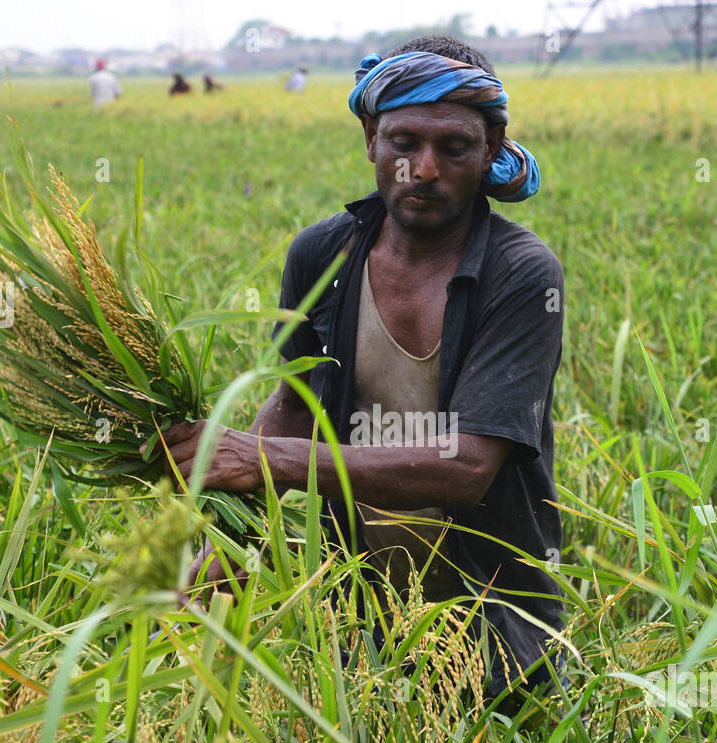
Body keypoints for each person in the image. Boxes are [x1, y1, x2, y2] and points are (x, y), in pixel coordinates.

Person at [149, 35, 564, 708]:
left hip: (495, 612)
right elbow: (294, 399)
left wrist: (265, 460)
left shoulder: (520, 275)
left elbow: (468, 467)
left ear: (491, 148)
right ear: (371, 136)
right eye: (403, 141)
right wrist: (239, 535)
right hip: (359, 605)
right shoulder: (322, 256)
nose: (423, 169)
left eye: (454, 148)